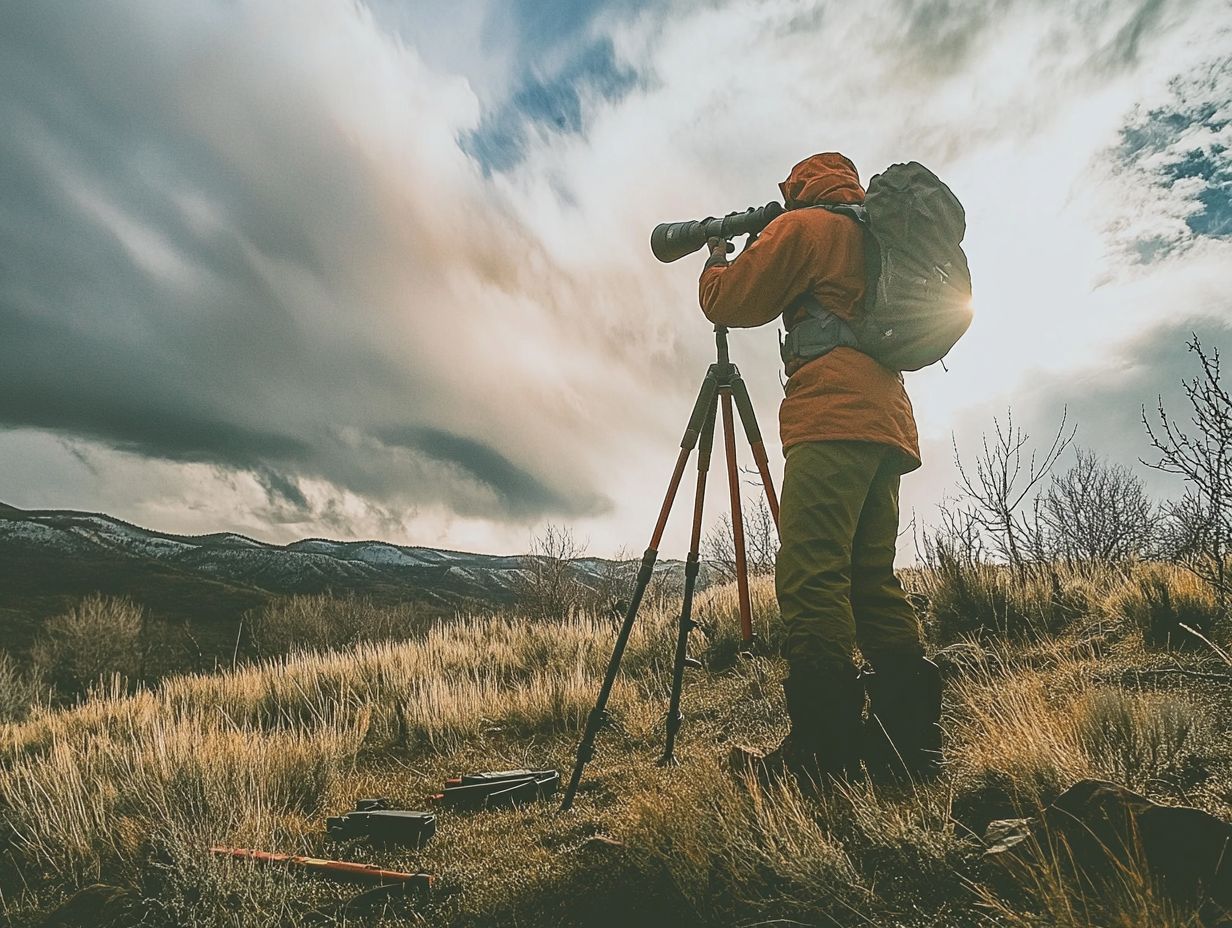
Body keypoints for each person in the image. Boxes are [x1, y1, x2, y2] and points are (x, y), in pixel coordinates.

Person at [698, 152, 942, 782]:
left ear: (799, 189)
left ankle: (822, 751)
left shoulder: (806, 229)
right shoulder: (871, 236)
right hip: (887, 425)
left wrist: (716, 262)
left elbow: (731, 301)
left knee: (811, 576)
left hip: (831, 419)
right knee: (868, 576)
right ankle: (907, 744)